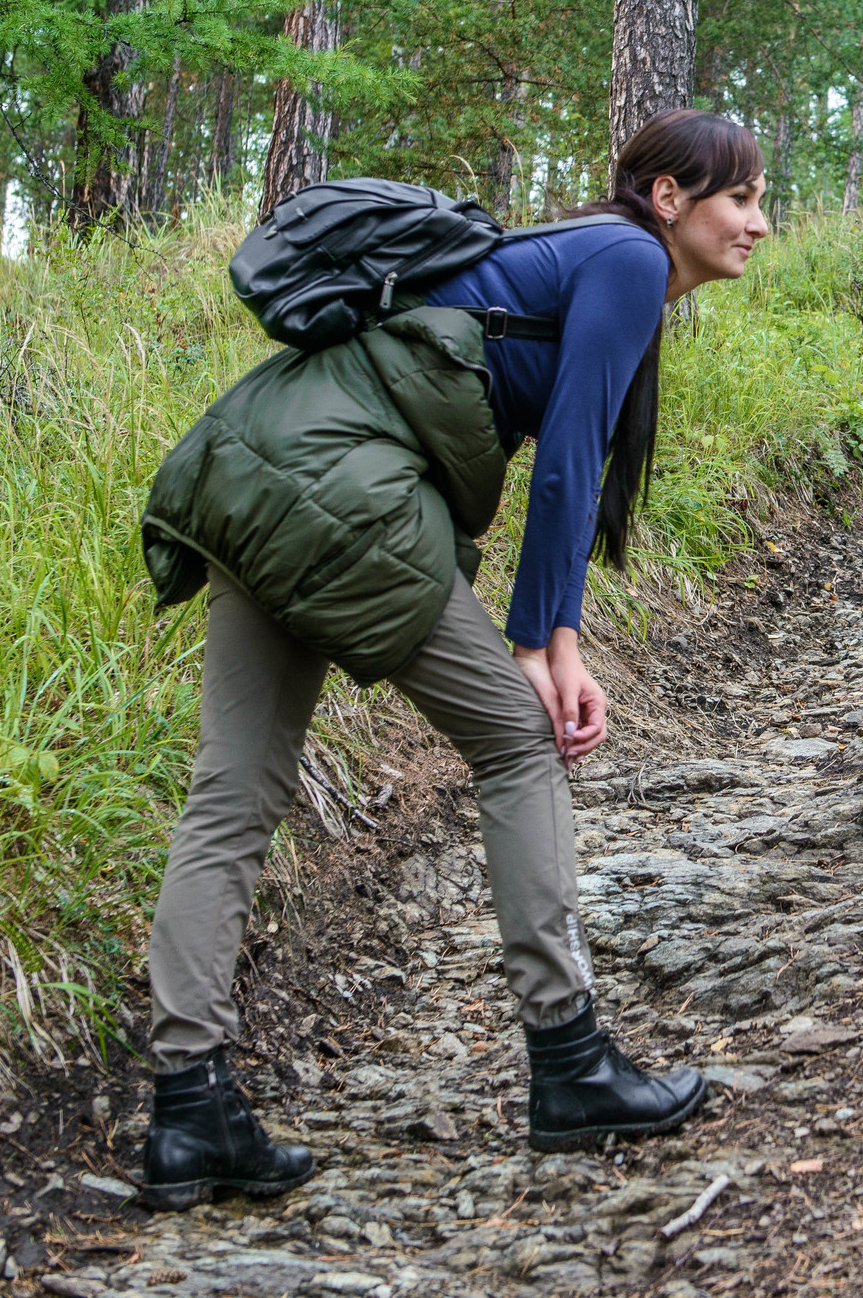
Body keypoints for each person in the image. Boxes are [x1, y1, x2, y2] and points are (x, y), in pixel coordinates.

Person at [132, 110, 771, 1209]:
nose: (760, 223)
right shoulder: (623, 253)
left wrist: (545, 628)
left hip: (248, 466)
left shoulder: (574, 256)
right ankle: (570, 1060)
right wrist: (544, 642)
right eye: (741, 198)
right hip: (336, 489)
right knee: (520, 743)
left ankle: (187, 1111)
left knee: (230, 795)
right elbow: (568, 458)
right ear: (667, 198)